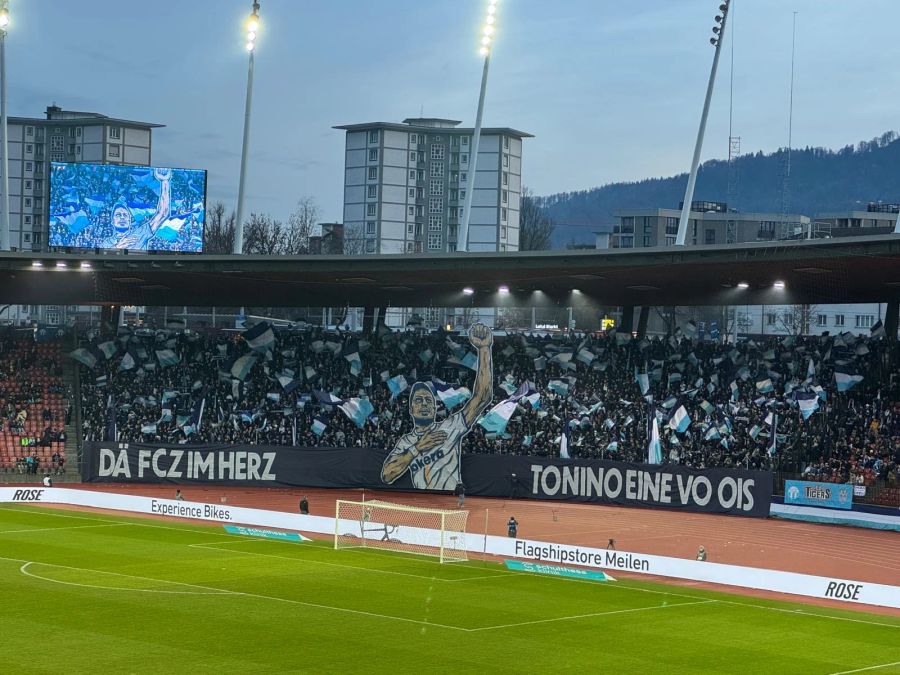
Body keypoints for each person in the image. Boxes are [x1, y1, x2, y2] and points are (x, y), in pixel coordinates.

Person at [381, 323, 494, 491]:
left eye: (428, 401)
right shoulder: (406, 442)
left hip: (450, 501)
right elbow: (387, 475)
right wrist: (417, 448)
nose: (424, 404)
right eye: (418, 401)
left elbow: (482, 397)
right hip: (423, 504)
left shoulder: (450, 427)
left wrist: (484, 350)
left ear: (435, 408)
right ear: (411, 409)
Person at [100, 168, 172, 250]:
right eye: (118, 215)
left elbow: (163, 213)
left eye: (125, 215)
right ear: (112, 221)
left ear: (130, 220)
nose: (122, 218)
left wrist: (165, 182)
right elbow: (99, 259)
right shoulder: (106, 243)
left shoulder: (141, 233)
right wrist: (117, 248)